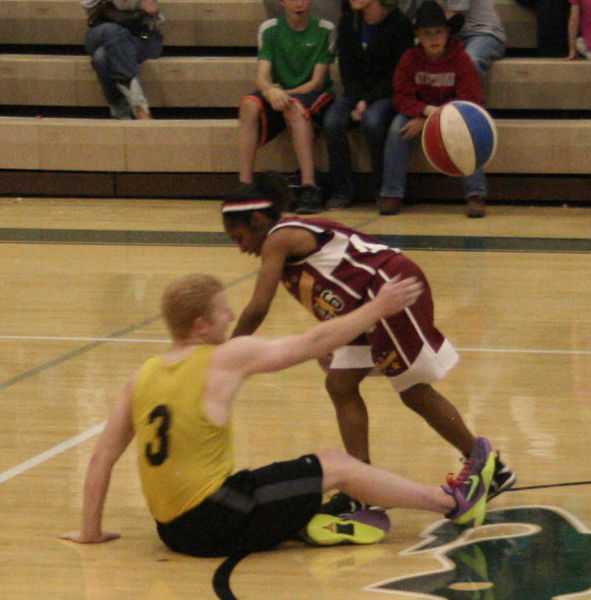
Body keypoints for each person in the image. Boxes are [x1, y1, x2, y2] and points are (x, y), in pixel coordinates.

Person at [60, 272, 496, 557]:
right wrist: (377, 308)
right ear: (200, 326)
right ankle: (453, 503)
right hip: (216, 517)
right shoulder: (224, 357)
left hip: (171, 532)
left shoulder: (142, 375)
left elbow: (102, 457)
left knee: (290, 479)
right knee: (336, 464)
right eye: (222, 310)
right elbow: (310, 343)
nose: (232, 314)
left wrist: (90, 532)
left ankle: (308, 523)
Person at [222, 171, 515, 518]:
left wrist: (225, 355)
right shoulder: (291, 238)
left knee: (413, 390)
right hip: (366, 301)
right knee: (340, 384)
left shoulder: (278, 238)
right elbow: (333, 284)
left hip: (389, 289)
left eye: (239, 237)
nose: (241, 248)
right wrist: (332, 334)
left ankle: (488, 466)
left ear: (257, 220)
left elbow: (258, 307)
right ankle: (363, 485)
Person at [379, 1, 489, 218]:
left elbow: (472, 99)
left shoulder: (461, 58)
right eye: (427, 33)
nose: (434, 38)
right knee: (396, 130)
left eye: (438, 32)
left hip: (455, 114)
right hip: (420, 112)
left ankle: (475, 194)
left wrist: (436, 117)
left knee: (470, 132)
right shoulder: (409, 58)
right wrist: (425, 112)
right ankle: (391, 193)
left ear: (448, 33)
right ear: (418, 35)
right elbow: (401, 97)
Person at [238, 0, 335, 215]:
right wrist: (271, 91)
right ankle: (244, 187)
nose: (298, 3)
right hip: (279, 93)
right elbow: (262, 78)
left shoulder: (324, 29)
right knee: (249, 105)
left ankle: (309, 186)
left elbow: (316, 82)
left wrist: (283, 95)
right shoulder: (270, 29)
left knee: (294, 108)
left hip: (313, 95)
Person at [322, 0, 415, 209]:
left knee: (373, 121)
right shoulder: (348, 22)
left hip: (386, 94)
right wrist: (357, 100)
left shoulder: (399, 24)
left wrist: (368, 101)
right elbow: (347, 69)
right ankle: (342, 190)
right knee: (332, 121)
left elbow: (397, 74)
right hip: (356, 95)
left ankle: (382, 189)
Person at [81, 0, 164, 119]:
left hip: (141, 36)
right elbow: (87, 5)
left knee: (101, 57)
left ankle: (119, 108)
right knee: (112, 31)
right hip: (103, 31)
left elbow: (151, 11)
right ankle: (139, 106)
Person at [439, 0, 506, 86]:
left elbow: (454, 17)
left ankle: (471, 99)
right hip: (452, 34)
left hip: (484, 32)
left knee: (470, 61)